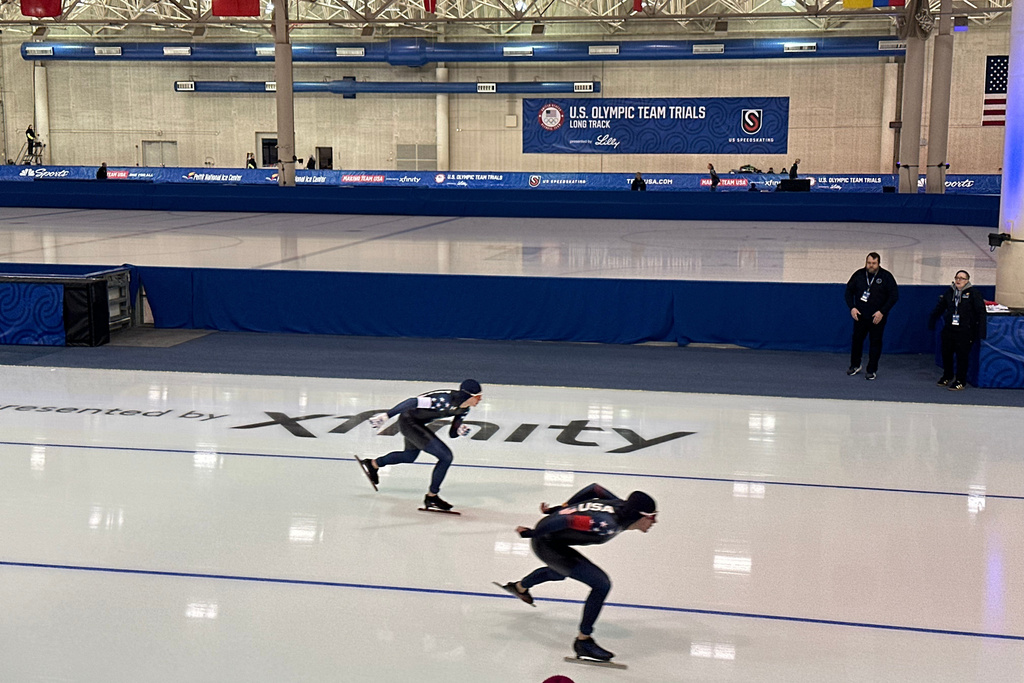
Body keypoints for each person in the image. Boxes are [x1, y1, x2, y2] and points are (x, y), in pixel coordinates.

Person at [497, 483, 657, 663]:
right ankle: (584, 641)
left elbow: (595, 489)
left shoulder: (618, 503)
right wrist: (533, 533)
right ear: (639, 515)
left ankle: (520, 587)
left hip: (553, 538)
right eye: (652, 517)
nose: (654, 521)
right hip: (546, 540)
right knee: (601, 584)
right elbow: (567, 521)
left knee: (560, 572)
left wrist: (562, 507)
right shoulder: (606, 524)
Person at [358, 379, 483, 510]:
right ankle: (432, 496)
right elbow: (412, 401)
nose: (480, 400)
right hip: (408, 422)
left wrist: (458, 431)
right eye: (478, 397)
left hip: (417, 423)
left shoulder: (464, 409)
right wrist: (386, 416)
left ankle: (373, 464)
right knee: (446, 457)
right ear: (468, 396)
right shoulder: (443, 400)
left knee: (409, 456)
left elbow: (452, 433)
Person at [929, 270, 987, 391]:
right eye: (957, 278)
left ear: (967, 281)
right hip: (950, 329)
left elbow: (981, 312)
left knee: (962, 356)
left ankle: (961, 380)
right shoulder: (950, 292)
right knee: (946, 353)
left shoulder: (973, 293)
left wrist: (981, 331)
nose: (958, 280)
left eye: (962, 278)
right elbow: (940, 307)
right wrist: (932, 320)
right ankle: (947, 375)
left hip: (965, 330)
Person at [845, 252, 899, 380]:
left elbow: (894, 296)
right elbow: (848, 291)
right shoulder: (858, 275)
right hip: (860, 316)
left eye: (874, 263)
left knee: (875, 342)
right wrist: (852, 307)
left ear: (878, 263)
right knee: (857, 340)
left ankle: (871, 369)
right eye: (869, 263)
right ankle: (855, 365)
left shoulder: (886, 277)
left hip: (877, 317)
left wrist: (882, 311)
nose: (871, 266)